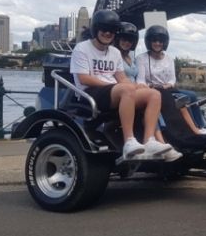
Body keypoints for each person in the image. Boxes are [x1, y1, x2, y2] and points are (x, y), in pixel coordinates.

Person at [70, 10, 172, 160]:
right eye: (104, 29)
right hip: (90, 93)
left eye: (111, 31)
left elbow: (121, 78)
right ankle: (129, 141)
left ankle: (149, 140)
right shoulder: (82, 48)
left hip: (113, 92)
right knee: (126, 89)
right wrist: (113, 85)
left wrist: (137, 86)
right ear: (96, 29)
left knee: (153, 94)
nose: (107, 33)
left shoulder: (115, 52)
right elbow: (84, 78)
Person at [113, 21, 182, 161]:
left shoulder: (129, 57)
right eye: (124, 39)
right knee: (154, 97)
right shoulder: (115, 55)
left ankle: (172, 138)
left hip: (134, 89)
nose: (127, 42)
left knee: (167, 98)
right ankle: (159, 142)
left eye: (130, 40)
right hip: (123, 91)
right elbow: (118, 77)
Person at [136, 25, 206, 135]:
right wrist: (150, 86)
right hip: (152, 90)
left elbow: (172, 79)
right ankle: (191, 129)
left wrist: (168, 85)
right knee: (183, 99)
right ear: (149, 42)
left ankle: (200, 125)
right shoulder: (141, 58)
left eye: (160, 41)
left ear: (164, 43)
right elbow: (140, 80)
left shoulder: (169, 59)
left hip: (167, 89)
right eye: (155, 41)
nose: (157, 43)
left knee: (192, 96)